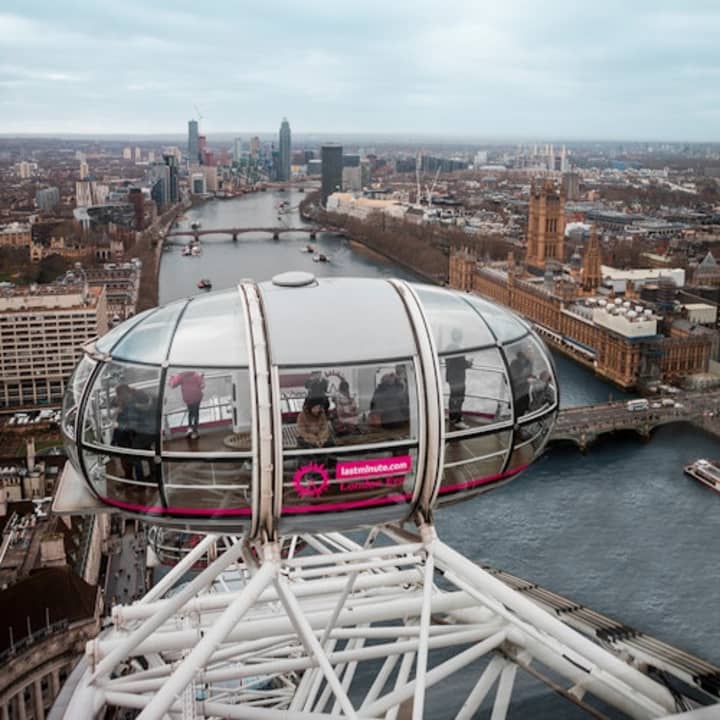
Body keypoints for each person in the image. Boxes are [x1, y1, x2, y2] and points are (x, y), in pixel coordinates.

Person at [112, 383, 156, 482]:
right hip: (148, 431)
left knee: (135, 456)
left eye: (119, 395)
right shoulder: (134, 401)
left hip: (142, 433)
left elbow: (131, 424)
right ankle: (152, 475)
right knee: (147, 453)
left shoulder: (130, 405)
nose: (118, 397)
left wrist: (119, 428)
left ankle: (140, 481)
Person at [445, 329, 472, 430]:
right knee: (458, 398)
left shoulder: (449, 347)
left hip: (451, 377)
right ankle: (457, 420)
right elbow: (461, 364)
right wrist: (469, 363)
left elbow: (454, 362)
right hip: (458, 378)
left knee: (453, 398)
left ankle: (452, 417)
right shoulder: (457, 348)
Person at [169, 370, 205, 439]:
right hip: (197, 397)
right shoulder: (196, 375)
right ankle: (195, 431)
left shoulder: (181, 376)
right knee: (196, 413)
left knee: (190, 412)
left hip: (188, 398)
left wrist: (172, 377)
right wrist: (201, 377)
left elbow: (172, 385)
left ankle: (190, 428)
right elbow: (202, 386)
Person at [509, 349, 533, 417]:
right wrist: (526, 380)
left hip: (524, 393)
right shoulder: (514, 364)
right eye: (530, 351)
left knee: (522, 412)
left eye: (532, 351)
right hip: (517, 394)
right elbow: (513, 380)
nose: (532, 353)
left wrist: (533, 377)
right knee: (517, 413)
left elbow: (528, 375)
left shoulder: (529, 363)